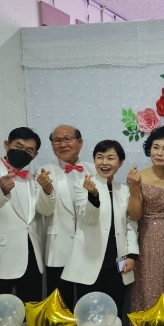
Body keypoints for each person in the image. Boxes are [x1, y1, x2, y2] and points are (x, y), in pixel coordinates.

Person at [0, 127, 56, 326]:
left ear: (35, 155)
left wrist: (47, 190)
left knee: (31, 313)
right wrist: (0, 191)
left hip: (31, 256)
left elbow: (45, 210)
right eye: (18, 146)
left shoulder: (34, 177)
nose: (23, 152)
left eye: (29, 150)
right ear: (6, 145)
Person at [62, 140, 138, 326]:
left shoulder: (124, 190)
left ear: (120, 162)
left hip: (119, 261)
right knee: (89, 314)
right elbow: (88, 218)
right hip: (89, 259)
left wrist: (132, 255)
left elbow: (131, 224)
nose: (104, 162)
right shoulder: (83, 185)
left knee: (114, 310)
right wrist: (93, 197)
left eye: (111, 158)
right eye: (99, 157)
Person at [127, 126, 164, 313]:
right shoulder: (139, 176)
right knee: (147, 284)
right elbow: (135, 215)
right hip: (147, 237)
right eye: (155, 147)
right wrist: (134, 188)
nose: (159, 153)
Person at [41, 125, 94, 310]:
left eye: (67, 139)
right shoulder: (43, 172)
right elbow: (44, 210)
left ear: (80, 142)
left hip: (89, 249)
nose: (62, 144)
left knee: (89, 304)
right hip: (58, 248)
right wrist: (47, 190)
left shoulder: (95, 170)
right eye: (57, 140)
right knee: (60, 306)